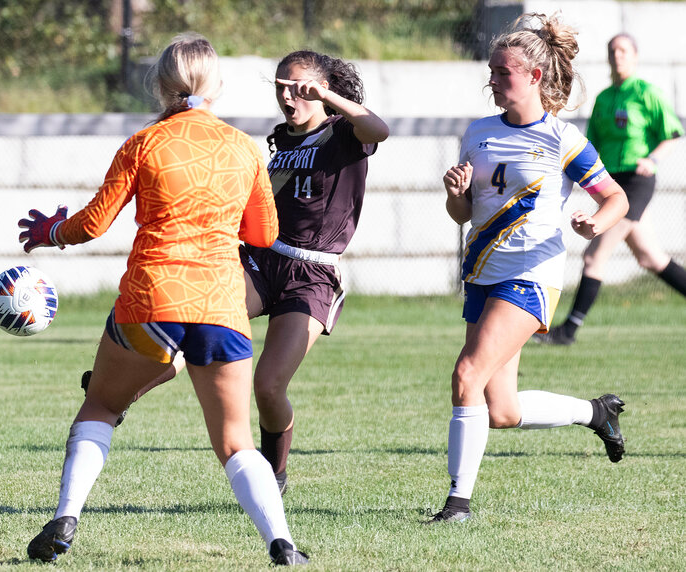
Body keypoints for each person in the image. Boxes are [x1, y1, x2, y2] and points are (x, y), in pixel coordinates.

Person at [17, 34, 308, 566]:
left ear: (160, 85)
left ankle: (66, 517)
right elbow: (264, 234)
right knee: (237, 443)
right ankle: (280, 542)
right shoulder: (245, 148)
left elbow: (92, 224)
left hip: (151, 300)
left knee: (102, 404)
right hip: (221, 305)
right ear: (216, 87)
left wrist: (51, 231)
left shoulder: (144, 143)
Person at [110, 50, 389, 496]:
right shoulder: (277, 140)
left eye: (299, 88)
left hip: (312, 276)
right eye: (281, 87)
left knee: (268, 385)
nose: (288, 96)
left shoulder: (345, 135)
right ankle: (116, 397)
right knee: (191, 328)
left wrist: (330, 98)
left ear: (322, 89)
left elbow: (380, 129)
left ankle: (274, 477)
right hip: (262, 261)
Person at [429, 13, 630, 524]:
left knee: (466, 374)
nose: (492, 80)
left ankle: (458, 504)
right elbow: (464, 213)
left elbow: (616, 198)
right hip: (482, 272)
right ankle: (596, 413)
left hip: (531, 276)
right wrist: (455, 196)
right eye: (492, 70)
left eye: (503, 72)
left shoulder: (562, 139)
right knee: (501, 410)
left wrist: (593, 224)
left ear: (535, 77)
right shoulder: (478, 133)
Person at [536, 33, 686, 346]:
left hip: (636, 182)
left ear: (635, 55)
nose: (617, 55)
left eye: (623, 50)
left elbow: (672, 133)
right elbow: (591, 146)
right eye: (612, 50)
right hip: (612, 184)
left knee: (595, 255)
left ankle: (568, 331)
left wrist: (652, 158)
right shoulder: (604, 98)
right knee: (650, 258)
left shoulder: (647, 93)